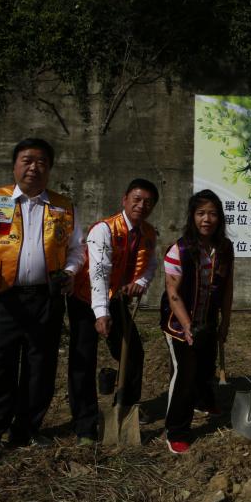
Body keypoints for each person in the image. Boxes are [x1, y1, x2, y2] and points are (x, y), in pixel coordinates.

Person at [0, 138, 85, 454]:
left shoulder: (63, 207)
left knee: (40, 367)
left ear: (49, 169)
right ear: (14, 165)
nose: (33, 167)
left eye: (41, 162)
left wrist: (70, 271)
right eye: (27, 160)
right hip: (3, 298)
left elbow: (78, 248)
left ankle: (26, 430)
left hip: (46, 298)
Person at [67, 178, 159, 445]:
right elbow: (98, 272)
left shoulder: (148, 233)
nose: (141, 206)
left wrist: (141, 282)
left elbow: (150, 264)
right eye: (137, 199)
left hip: (116, 299)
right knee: (84, 359)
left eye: (148, 202)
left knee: (132, 351)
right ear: (125, 200)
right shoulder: (104, 230)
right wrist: (101, 313)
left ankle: (126, 406)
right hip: (86, 298)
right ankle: (84, 423)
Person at [160, 189, 234, 454]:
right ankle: (176, 430)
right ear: (192, 217)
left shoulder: (224, 248)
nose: (207, 219)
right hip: (179, 323)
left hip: (208, 319)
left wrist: (225, 322)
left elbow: (228, 287)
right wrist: (187, 326)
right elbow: (173, 293)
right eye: (201, 213)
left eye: (212, 214)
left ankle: (204, 401)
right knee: (186, 373)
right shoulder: (179, 249)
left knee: (205, 363)